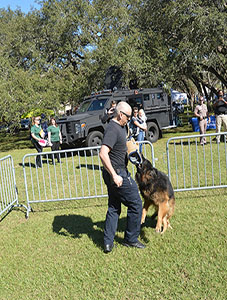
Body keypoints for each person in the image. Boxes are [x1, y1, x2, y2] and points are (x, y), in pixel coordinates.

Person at [99, 101, 145, 253]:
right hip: (117, 173)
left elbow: (124, 142)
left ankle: (107, 243)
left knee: (114, 207)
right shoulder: (113, 129)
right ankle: (130, 239)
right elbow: (103, 153)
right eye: (128, 116)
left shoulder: (119, 127)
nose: (130, 119)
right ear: (120, 115)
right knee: (136, 204)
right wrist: (115, 175)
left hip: (112, 172)